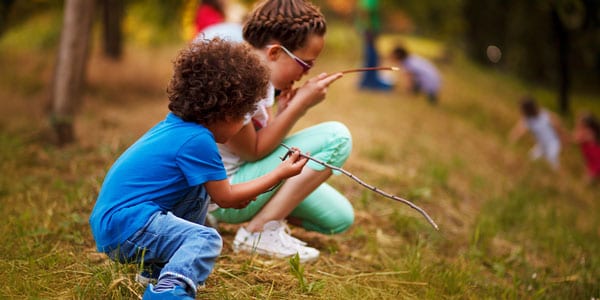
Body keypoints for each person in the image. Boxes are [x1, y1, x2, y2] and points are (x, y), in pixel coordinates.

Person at [88, 38, 308, 300]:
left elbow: (219, 194)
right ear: (227, 112)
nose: (242, 126)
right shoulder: (198, 141)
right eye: (243, 116)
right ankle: (168, 292)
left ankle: (157, 272)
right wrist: (279, 173)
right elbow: (226, 197)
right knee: (206, 239)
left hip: (117, 223)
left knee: (198, 191)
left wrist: (237, 195)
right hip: (127, 226)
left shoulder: (179, 128)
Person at [199, 0, 355, 263]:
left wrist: (283, 112)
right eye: (305, 64)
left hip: (249, 181)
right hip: (229, 191)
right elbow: (254, 151)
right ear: (274, 53)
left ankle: (266, 218)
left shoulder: (264, 79)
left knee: (339, 218)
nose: (306, 73)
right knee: (337, 137)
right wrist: (300, 106)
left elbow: (263, 137)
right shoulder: (235, 82)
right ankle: (258, 232)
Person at [508, 96, 564, 170]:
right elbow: (519, 130)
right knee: (531, 159)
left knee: (552, 160)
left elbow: (556, 123)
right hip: (541, 146)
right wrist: (512, 138)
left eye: (522, 109)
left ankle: (558, 176)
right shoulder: (528, 120)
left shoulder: (543, 114)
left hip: (552, 143)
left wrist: (562, 137)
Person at [356, 0, 393, 91]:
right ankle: (369, 82)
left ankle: (369, 81)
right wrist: (368, 30)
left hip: (370, 31)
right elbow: (366, 11)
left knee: (372, 55)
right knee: (371, 56)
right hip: (370, 31)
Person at [572, 113, 600, 184]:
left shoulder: (594, 147)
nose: (578, 131)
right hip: (592, 164)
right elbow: (575, 138)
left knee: (585, 182)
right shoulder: (586, 142)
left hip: (596, 165)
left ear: (591, 132)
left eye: (581, 128)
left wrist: (591, 174)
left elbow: (597, 163)